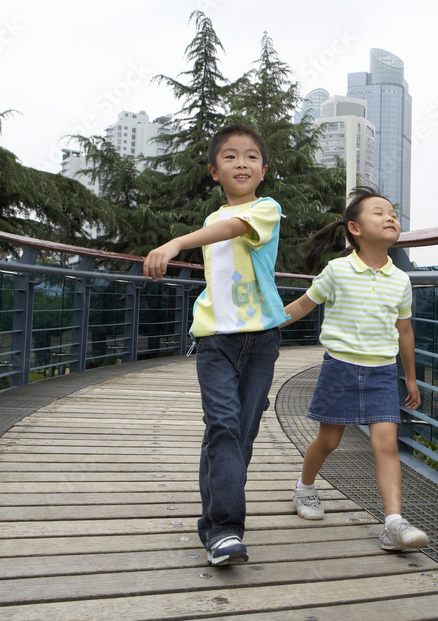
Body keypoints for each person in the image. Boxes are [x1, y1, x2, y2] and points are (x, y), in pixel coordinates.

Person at [142, 124, 287, 567]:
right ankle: (225, 530)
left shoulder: (265, 209)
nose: (241, 163)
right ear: (213, 171)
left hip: (261, 339)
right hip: (213, 340)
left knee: (238, 434)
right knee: (223, 426)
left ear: (263, 169)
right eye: (229, 156)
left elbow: (233, 229)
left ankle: (212, 523)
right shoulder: (211, 220)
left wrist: (176, 242)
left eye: (249, 157)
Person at [281, 185, 428, 551]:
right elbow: (302, 305)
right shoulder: (338, 270)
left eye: (392, 212)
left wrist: (410, 377)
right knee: (329, 440)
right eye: (378, 212)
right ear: (355, 228)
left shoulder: (401, 280)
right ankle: (305, 487)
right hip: (340, 370)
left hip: (380, 373)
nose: (389, 216)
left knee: (387, 446)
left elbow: (404, 331)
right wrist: (262, 322)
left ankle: (393, 523)